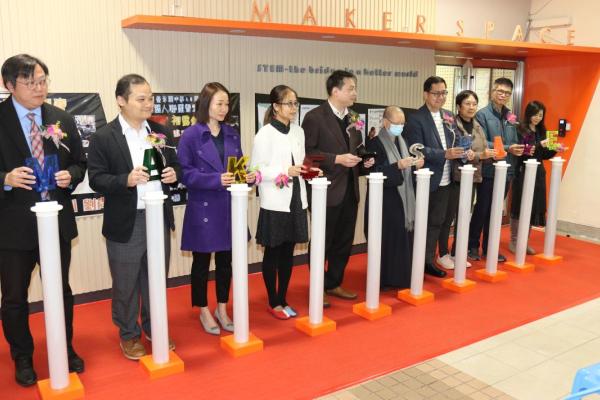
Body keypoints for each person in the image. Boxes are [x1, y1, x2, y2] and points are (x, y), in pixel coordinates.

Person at [0, 54, 85, 386]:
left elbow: (80, 163)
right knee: (15, 297)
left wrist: (70, 175)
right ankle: (22, 356)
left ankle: (64, 346)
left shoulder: (60, 117)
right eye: (30, 82)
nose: (39, 88)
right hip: (13, 226)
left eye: (42, 80)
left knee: (60, 290)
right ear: (9, 85)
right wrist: (6, 178)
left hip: (56, 221)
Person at [88, 74, 180, 360]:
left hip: (157, 216)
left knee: (156, 278)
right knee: (126, 282)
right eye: (141, 99)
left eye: (150, 98)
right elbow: (96, 179)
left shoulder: (160, 131)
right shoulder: (104, 136)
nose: (148, 104)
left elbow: (175, 165)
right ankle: (128, 334)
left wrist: (173, 174)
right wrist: (124, 180)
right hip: (127, 220)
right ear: (121, 100)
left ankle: (154, 326)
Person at [178, 82, 256, 334]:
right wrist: (215, 180)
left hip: (229, 207)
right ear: (206, 104)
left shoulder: (231, 133)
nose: (224, 108)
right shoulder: (191, 135)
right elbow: (185, 174)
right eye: (219, 103)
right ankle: (203, 309)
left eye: (226, 104)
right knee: (201, 263)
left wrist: (247, 177)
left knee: (225, 263)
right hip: (203, 207)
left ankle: (222, 308)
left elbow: (237, 169)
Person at [302, 70, 374, 307]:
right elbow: (308, 155)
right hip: (326, 191)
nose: (355, 93)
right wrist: (337, 159)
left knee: (343, 242)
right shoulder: (315, 117)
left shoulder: (353, 117)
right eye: (351, 88)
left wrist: (364, 160)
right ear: (335, 91)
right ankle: (318, 287)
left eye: (355, 88)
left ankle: (334, 283)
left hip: (350, 190)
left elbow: (357, 148)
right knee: (322, 242)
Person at [251, 85, 319, 319]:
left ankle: (283, 298)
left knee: (289, 253)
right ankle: (273, 301)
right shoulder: (265, 134)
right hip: (275, 201)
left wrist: (310, 170)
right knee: (273, 253)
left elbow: (301, 162)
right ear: (276, 106)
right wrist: (284, 170)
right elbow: (256, 171)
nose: (293, 108)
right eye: (289, 103)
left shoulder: (298, 132)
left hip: (296, 198)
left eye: (295, 103)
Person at [404, 76, 465, 278]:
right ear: (425, 94)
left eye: (444, 93)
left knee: (437, 222)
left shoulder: (448, 116)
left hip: (447, 178)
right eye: (436, 93)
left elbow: (457, 139)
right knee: (422, 222)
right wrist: (444, 154)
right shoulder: (416, 118)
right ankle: (416, 261)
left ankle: (428, 260)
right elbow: (416, 148)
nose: (440, 97)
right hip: (426, 180)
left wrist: (465, 150)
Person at [364, 106, 422, 289]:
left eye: (403, 124)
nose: (400, 127)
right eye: (397, 124)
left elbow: (407, 169)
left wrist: (415, 163)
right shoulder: (374, 143)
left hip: (404, 198)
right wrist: (397, 166)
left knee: (404, 237)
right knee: (389, 239)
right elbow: (373, 171)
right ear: (385, 122)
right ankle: (387, 279)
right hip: (385, 199)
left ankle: (403, 276)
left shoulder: (402, 140)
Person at [438, 90, 496, 269]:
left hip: (472, 177)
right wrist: (479, 155)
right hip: (454, 176)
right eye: (467, 104)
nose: (471, 107)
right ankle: (442, 253)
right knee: (448, 217)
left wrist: (487, 154)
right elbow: (455, 150)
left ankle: (457, 252)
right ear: (458, 106)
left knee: (464, 217)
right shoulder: (451, 124)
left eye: (474, 104)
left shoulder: (477, 125)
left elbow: (481, 149)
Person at [468, 77, 523, 262]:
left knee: (496, 211)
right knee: (482, 209)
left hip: (506, 170)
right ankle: (472, 246)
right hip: (488, 170)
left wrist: (518, 147)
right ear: (492, 92)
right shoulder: (482, 115)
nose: (503, 95)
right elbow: (483, 143)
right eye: (500, 91)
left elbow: (514, 139)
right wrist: (508, 148)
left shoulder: (511, 116)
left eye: (507, 93)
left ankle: (489, 248)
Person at [509, 100, 563, 254]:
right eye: (535, 114)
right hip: (523, 171)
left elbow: (543, 155)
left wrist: (554, 148)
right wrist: (540, 145)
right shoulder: (520, 129)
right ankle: (514, 241)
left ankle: (524, 242)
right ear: (528, 114)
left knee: (532, 207)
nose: (537, 118)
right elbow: (525, 152)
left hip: (538, 173)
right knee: (519, 207)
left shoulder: (541, 130)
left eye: (540, 115)